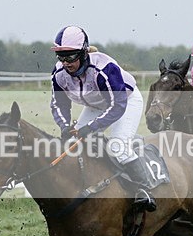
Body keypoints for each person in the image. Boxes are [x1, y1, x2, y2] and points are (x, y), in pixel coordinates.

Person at [50, 25, 156, 211]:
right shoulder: (59, 74)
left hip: (126, 101)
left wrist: (91, 127)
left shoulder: (104, 69)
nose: (66, 62)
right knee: (74, 144)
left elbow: (117, 106)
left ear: (84, 52)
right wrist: (65, 126)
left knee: (118, 147)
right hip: (97, 105)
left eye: (70, 56)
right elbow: (58, 104)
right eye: (61, 56)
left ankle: (145, 190)